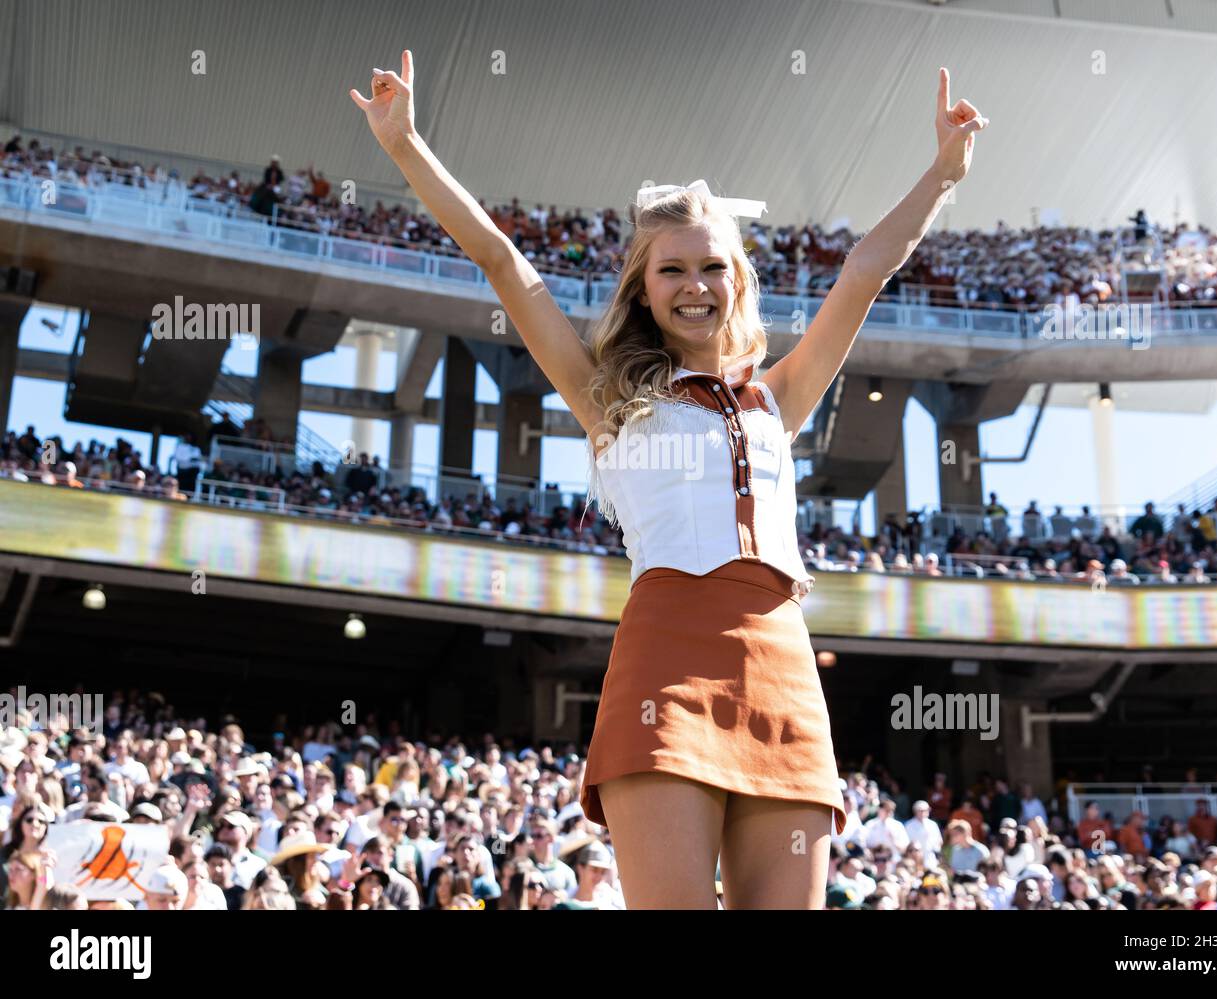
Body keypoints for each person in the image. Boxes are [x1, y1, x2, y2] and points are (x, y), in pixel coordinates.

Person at [351, 51, 985, 908]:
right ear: (644, 292)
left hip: (783, 668)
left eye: (713, 266)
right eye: (672, 270)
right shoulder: (606, 396)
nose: (695, 285)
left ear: (739, 280)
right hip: (666, 668)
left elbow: (865, 269)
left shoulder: (779, 396)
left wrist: (943, 174)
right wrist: (405, 146)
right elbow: (505, 263)